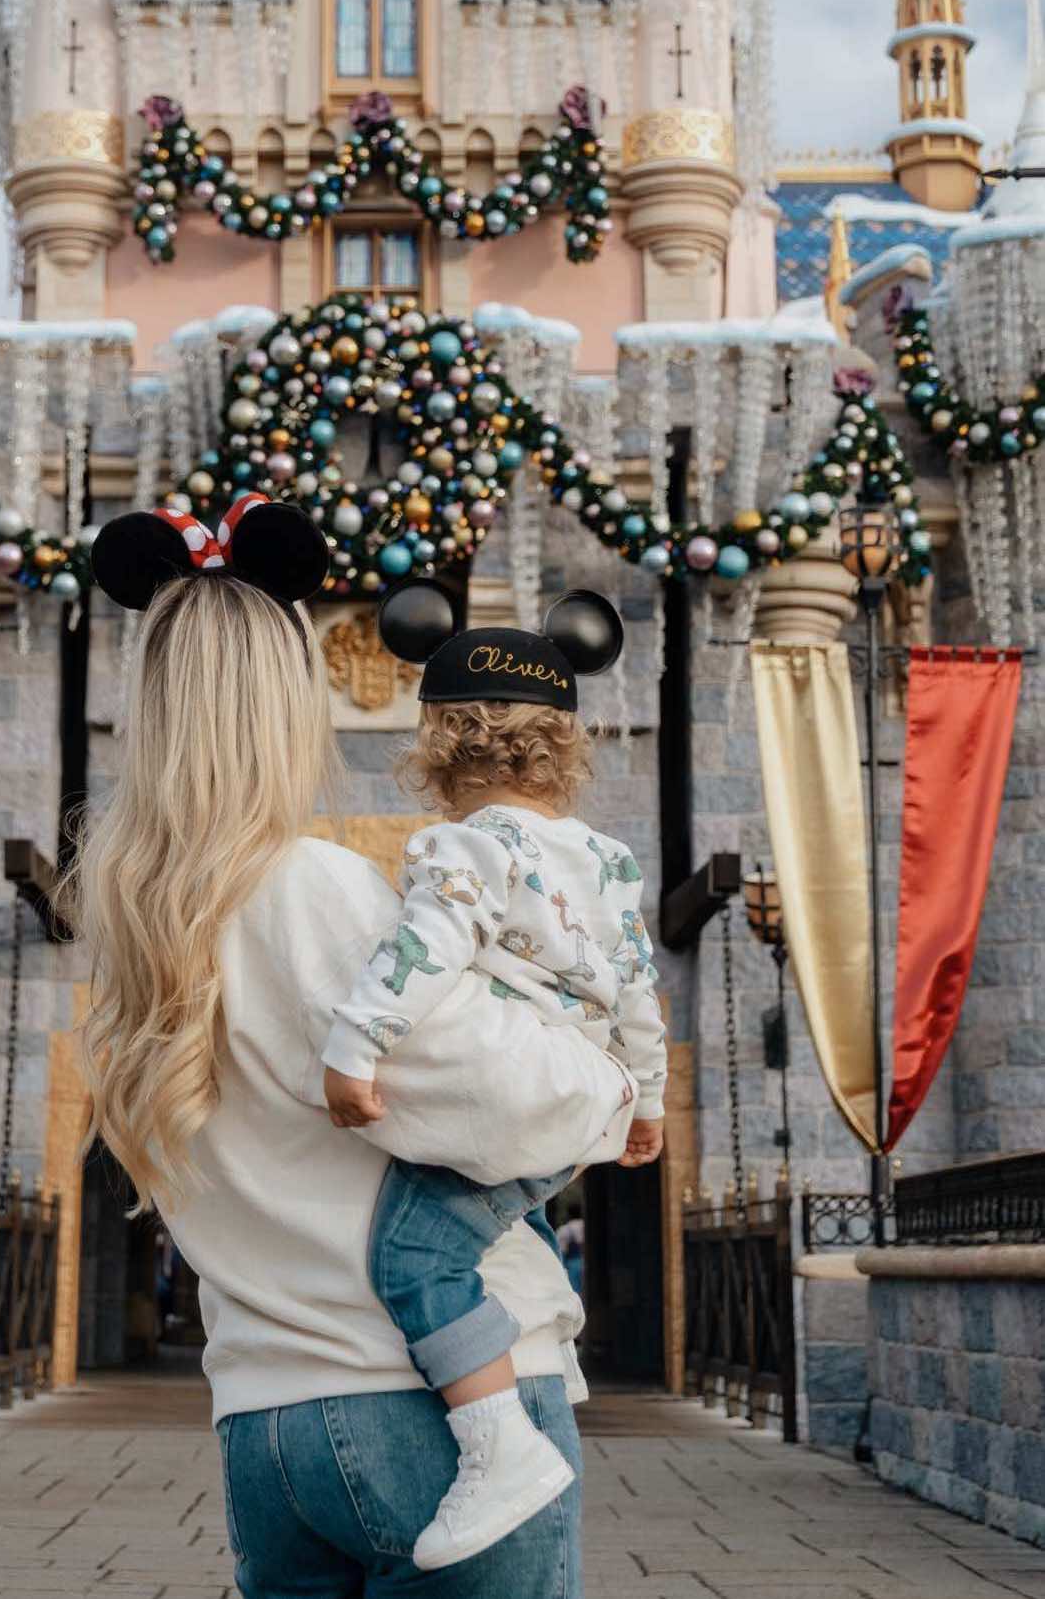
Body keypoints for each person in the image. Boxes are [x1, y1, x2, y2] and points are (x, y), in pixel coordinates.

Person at [74, 495, 639, 1599]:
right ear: (288, 706)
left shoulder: (139, 926)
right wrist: (613, 1073)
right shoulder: (311, 888)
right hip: (431, 1410)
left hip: (266, 1425)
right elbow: (504, 1103)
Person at [321, 608, 667, 1568]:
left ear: (437, 749)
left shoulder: (460, 847)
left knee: (413, 1261)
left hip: (511, 1093)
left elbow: (422, 951)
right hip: (579, 1105)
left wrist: (356, 1048)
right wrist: (649, 1102)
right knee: (498, 1227)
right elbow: (638, 989)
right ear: (563, 749)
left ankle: (497, 1444)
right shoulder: (609, 861)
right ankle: (550, 1328)